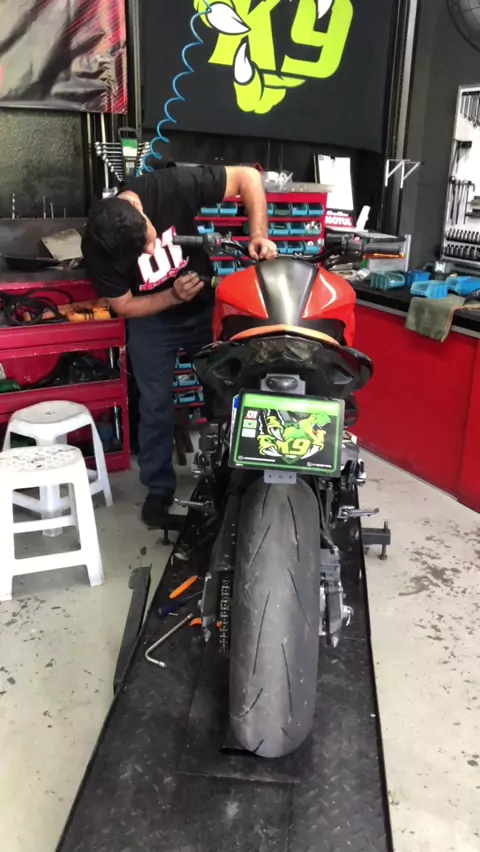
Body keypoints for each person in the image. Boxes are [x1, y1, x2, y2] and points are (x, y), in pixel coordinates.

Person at [82, 163, 277, 527]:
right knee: (155, 405)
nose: (152, 248)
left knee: (224, 393)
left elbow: (247, 177)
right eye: (142, 250)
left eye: (149, 237)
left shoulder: (167, 187)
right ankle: (158, 489)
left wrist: (258, 234)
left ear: (138, 209)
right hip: (151, 322)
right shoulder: (97, 249)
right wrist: (171, 297)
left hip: (203, 310)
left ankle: (232, 475)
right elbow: (125, 305)